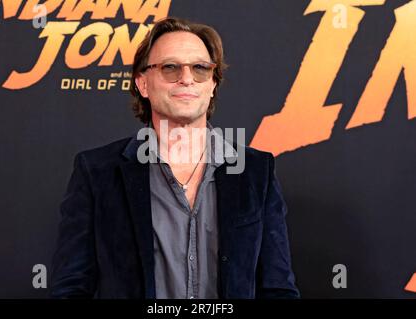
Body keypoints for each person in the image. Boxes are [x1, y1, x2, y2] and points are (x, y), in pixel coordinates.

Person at [50, 17, 299, 299]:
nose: (187, 78)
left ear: (213, 84)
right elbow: (71, 287)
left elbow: (277, 288)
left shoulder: (256, 172)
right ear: (143, 84)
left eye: (200, 68)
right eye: (170, 67)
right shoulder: (97, 172)